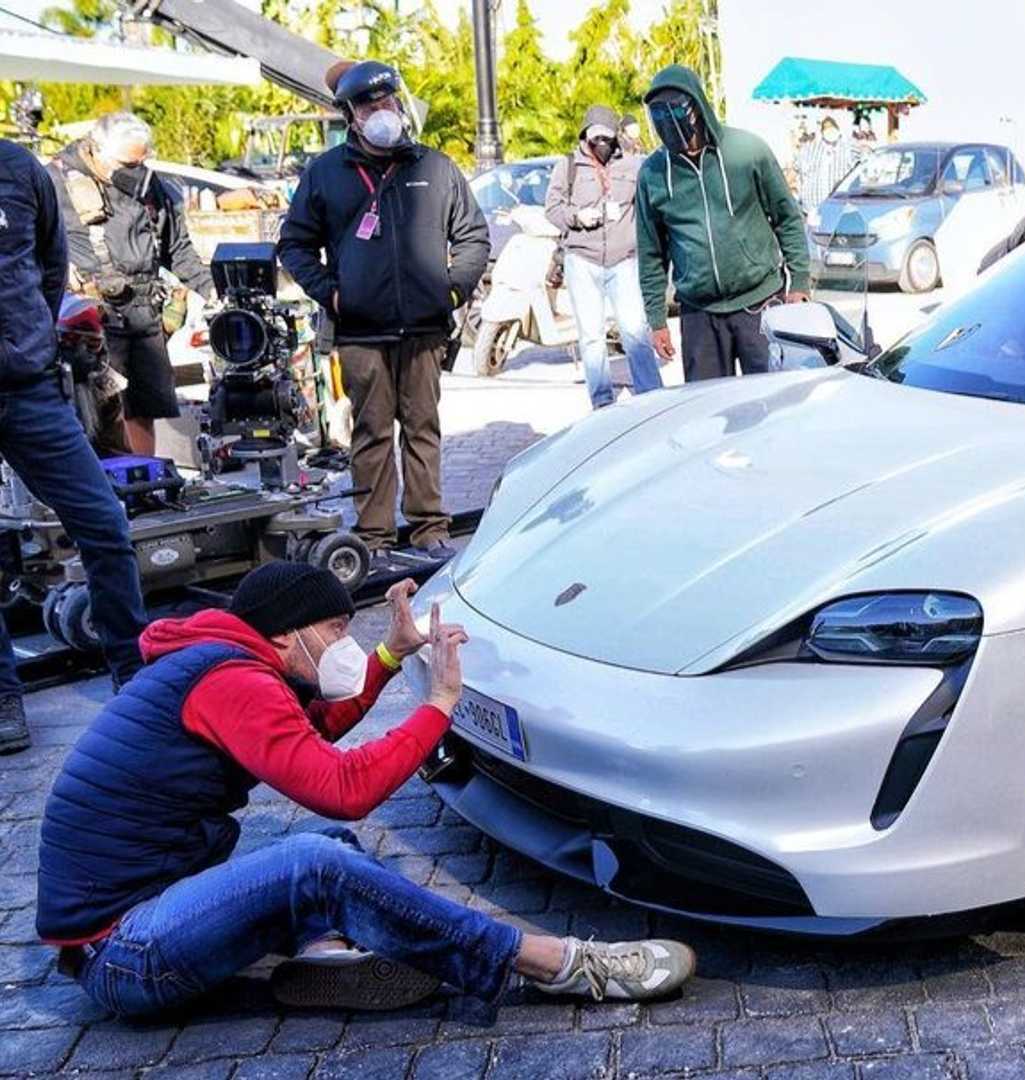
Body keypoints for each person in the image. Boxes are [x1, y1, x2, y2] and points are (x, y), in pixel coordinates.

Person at [35, 562, 696, 1017]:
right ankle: (557, 964)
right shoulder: (231, 681)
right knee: (316, 861)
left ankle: (326, 954)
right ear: (283, 634)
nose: (344, 645)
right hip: (125, 955)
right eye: (335, 632)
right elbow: (344, 786)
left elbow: (314, 726)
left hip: (145, 913)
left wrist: (390, 656)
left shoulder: (224, 662)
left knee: (324, 846)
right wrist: (439, 703)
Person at [277, 61, 489, 561]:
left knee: (423, 428)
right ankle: (372, 535)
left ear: (399, 102)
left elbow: (473, 236)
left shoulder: (434, 168)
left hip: (424, 329)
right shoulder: (326, 173)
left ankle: (427, 526)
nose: (381, 111)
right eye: (369, 105)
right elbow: (295, 244)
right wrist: (331, 294)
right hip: (360, 333)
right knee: (370, 434)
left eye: (387, 101)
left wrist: (452, 291)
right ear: (351, 115)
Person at [0, 139, 147, 754]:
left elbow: (51, 266)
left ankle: (135, 674)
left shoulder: (18, 169)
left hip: (28, 386)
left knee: (104, 522)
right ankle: (4, 698)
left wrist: (30, 339)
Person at [48, 113, 214, 456]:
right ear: (96, 151)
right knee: (101, 412)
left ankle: (143, 484)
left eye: (141, 162)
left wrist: (213, 290)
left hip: (145, 316)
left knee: (144, 408)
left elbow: (178, 250)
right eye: (128, 164)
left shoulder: (153, 189)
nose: (136, 172)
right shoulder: (55, 183)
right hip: (93, 321)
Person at [635, 65, 810, 381]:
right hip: (699, 313)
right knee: (709, 416)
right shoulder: (653, 174)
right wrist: (657, 319)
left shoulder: (746, 151)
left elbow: (787, 217)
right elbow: (651, 253)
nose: (668, 121)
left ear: (697, 106)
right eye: (658, 114)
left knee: (772, 404)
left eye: (676, 109)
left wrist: (799, 282)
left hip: (759, 300)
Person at [544, 105, 660, 409]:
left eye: (607, 139)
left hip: (624, 259)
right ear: (585, 136)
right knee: (592, 336)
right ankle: (602, 400)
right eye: (595, 139)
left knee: (635, 331)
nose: (601, 145)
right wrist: (577, 217)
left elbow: (649, 206)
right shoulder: (567, 166)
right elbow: (552, 209)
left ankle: (651, 395)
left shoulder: (633, 166)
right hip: (583, 259)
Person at [796, 115, 860, 209]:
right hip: (810, 211)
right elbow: (796, 173)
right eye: (826, 127)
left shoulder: (850, 149)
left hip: (841, 210)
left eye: (832, 127)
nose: (829, 130)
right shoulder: (808, 150)